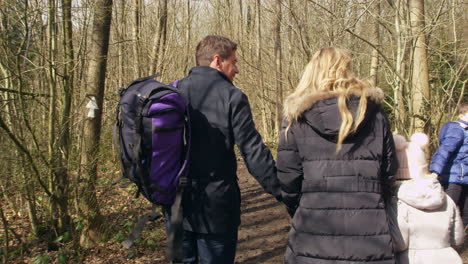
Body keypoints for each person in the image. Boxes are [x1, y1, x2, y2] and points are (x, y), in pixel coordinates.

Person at [277, 47, 397, 264]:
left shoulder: (296, 119)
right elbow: (388, 173)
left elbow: (288, 180)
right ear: (346, 71)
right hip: (370, 234)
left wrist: (302, 208)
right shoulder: (375, 114)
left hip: (313, 230)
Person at [168, 35, 281, 264]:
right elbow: (253, 151)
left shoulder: (172, 92)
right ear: (218, 61)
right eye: (234, 62)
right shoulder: (232, 96)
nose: (237, 69)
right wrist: (283, 190)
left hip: (175, 208)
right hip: (216, 211)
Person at [391, 133, 464, 264]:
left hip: (410, 260)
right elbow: (457, 239)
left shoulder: (398, 201)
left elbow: (398, 242)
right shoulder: (446, 198)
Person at [430, 102, 468, 227]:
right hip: (453, 179)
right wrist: (436, 171)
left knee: (465, 216)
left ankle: (461, 243)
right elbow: (444, 150)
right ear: (461, 115)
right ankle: (442, 241)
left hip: (465, 179)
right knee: (447, 214)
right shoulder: (457, 130)